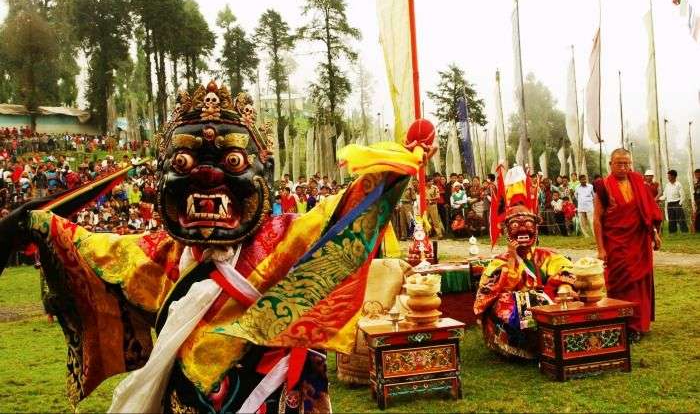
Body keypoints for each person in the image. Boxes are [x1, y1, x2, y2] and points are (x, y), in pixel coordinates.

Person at [0, 82, 434, 412]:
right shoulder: (162, 252)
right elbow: (96, 250)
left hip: (269, 394)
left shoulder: (283, 239)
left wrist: (396, 167)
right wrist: (37, 224)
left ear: (265, 174)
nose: (207, 177)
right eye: (184, 162)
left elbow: (340, 213)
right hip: (185, 394)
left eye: (233, 162)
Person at [475, 166, 576, 359]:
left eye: (528, 225)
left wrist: (559, 285)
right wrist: (512, 257)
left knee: (569, 298)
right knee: (508, 308)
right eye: (515, 225)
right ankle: (527, 350)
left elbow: (565, 267)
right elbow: (490, 291)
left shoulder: (544, 255)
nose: (522, 229)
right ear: (507, 231)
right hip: (514, 303)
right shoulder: (499, 261)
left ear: (536, 230)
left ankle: (557, 343)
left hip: (545, 298)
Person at [593, 148, 662, 341]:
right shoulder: (603, 186)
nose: (624, 167)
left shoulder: (638, 181)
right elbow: (597, 219)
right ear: (610, 164)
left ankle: (638, 323)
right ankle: (623, 322)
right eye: (619, 163)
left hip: (639, 242)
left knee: (640, 283)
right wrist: (600, 249)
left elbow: (647, 212)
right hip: (617, 243)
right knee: (620, 282)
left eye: (627, 163)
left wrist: (654, 233)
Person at [659, 169, 688, 233]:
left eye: (669, 176)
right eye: (668, 176)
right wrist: (659, 199)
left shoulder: (678, 184)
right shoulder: (667, 185)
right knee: (671, 219)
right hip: (669, 204)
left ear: (674, 176)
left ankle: (685, 231)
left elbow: (683, 196)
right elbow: (665, 196)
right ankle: (672, 232)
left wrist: (679, 204)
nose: (668, 177)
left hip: (677, 203)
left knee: (680, 219)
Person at [694, 168, 700, 233]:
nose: (696, 176)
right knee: (698, 216)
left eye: (698, 174)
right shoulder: (696, 184)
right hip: (698, 203)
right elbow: (696, 194)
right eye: (695, 175)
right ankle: (697, 230)